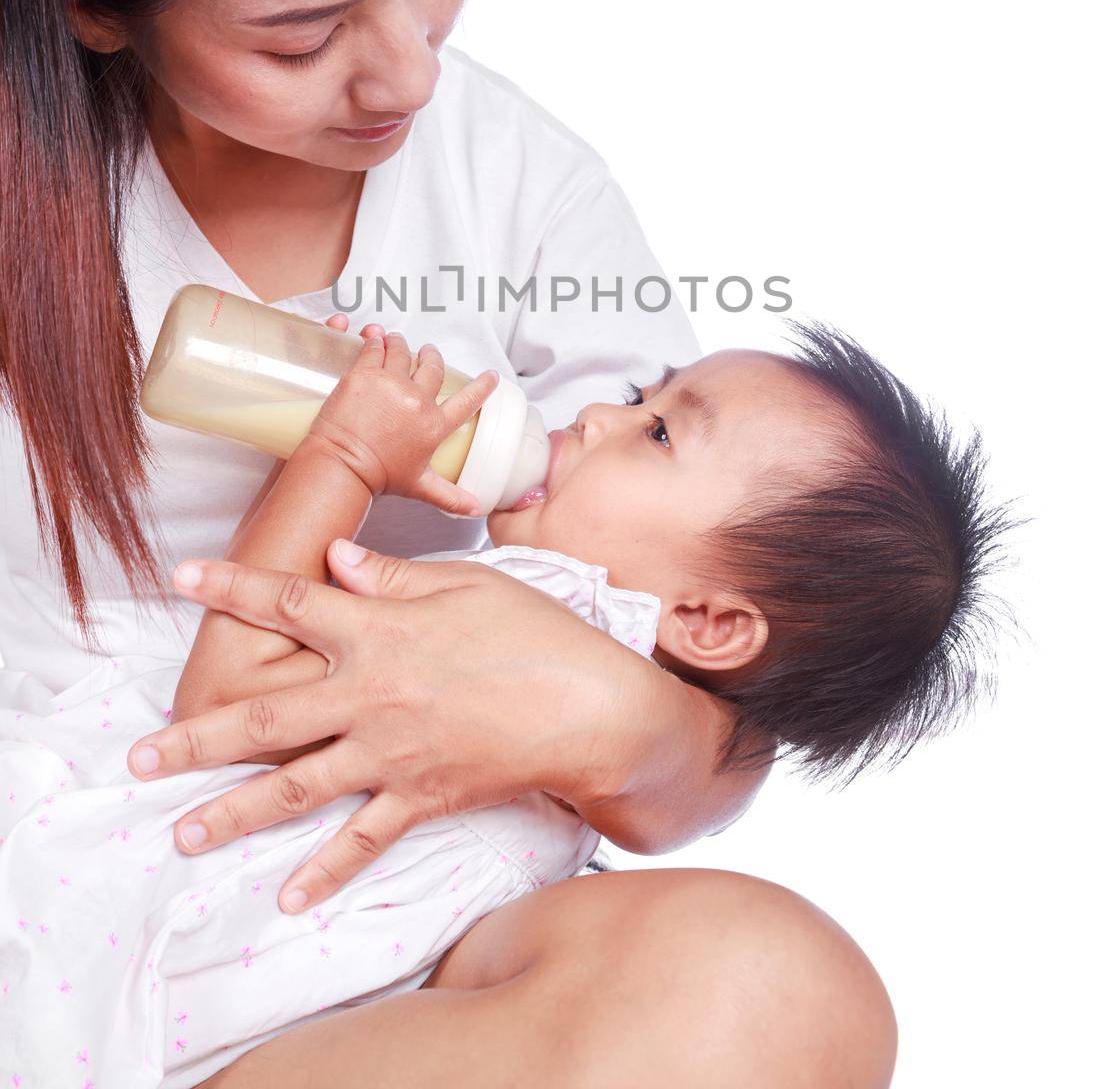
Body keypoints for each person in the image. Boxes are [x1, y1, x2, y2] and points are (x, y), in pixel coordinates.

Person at [0, 0, 898, 1088]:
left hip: (381, 940)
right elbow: (233, 687)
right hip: (93, 858)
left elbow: (719, 624)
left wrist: (596, 720)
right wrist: (346, 462)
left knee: (774, 989)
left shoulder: (513, 183)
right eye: (297, 34)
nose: (406, 75)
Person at [1, 320, 1002, 1085]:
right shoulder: (577, 678)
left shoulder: (525, 614)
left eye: (654, 431)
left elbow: (229, 697)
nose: (597, 416)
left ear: (704, 619)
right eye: (635, 394)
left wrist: (341, 457)